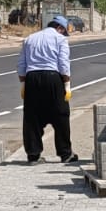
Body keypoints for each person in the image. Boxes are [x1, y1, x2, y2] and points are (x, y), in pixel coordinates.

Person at [17, 14, 78, 164]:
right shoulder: (60, 39)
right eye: (64, 31)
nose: (64, 34)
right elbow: (63, 63)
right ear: (60, 28)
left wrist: (23, 82)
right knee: (61, 114)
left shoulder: (29, 39)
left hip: (32, 78)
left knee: (32, 116)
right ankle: (65, 153)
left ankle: (33, 155)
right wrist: (67, 83)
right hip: (52, 77)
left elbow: (21, 64)